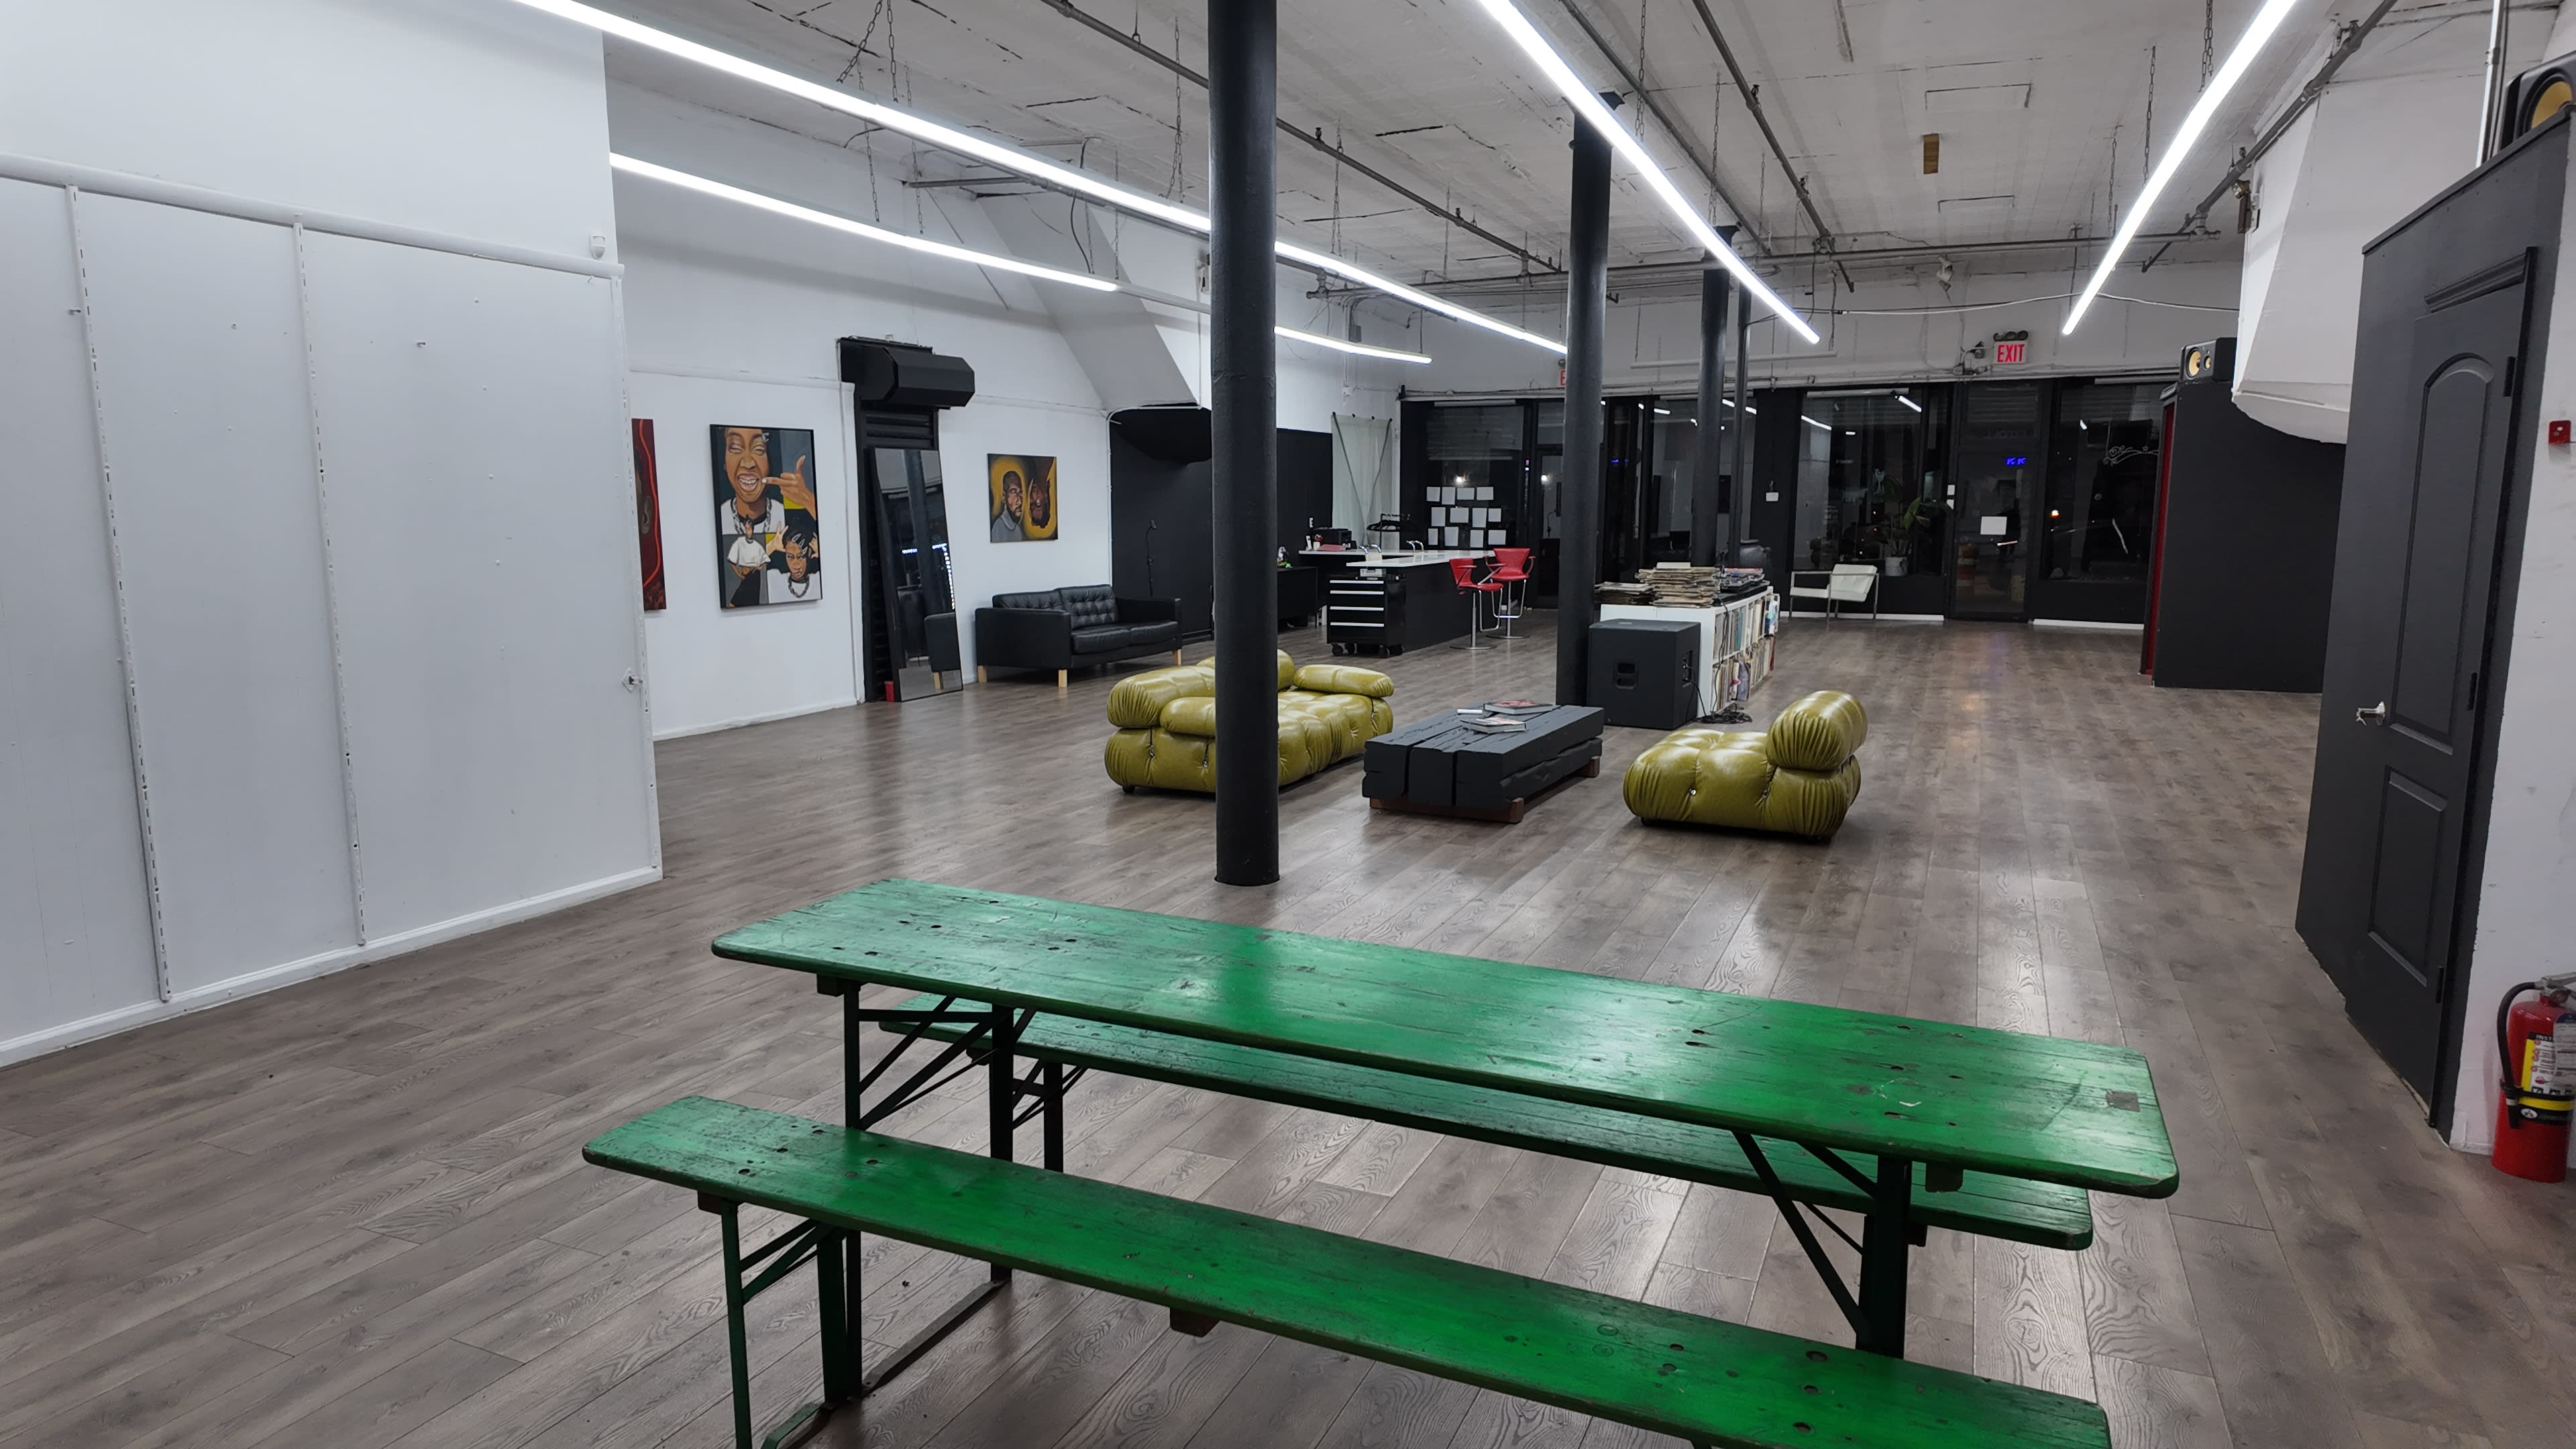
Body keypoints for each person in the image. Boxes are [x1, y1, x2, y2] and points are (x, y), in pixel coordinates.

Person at [715, 425, 811, 608]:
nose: (748, 462)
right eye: (735, 448)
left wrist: (807, 499)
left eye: (759, 449)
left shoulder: (785, 515)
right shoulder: (720, 519)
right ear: (725, 464)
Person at [990, 468, 1026, 542]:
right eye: (1013, 493)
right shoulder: (998, 527)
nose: (1019, 501)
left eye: (1021, 493)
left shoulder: (1017, 529)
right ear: (1004, 497)